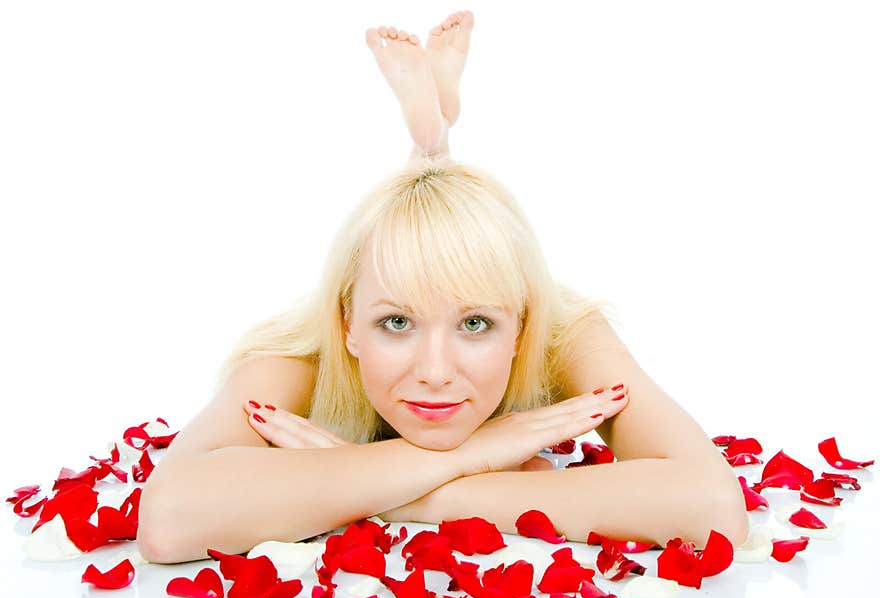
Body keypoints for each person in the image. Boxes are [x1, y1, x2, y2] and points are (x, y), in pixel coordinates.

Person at [137, 11, 749, 564]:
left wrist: (396, 494)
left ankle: (434, 141)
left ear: (524, 327)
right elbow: (168, 520)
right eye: (395, 323)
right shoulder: (298, 350)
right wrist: (473, 452)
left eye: (476, 324)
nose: (435, 372)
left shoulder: (565, 331)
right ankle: (433, 142)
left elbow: (713, 509)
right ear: (348, 323)